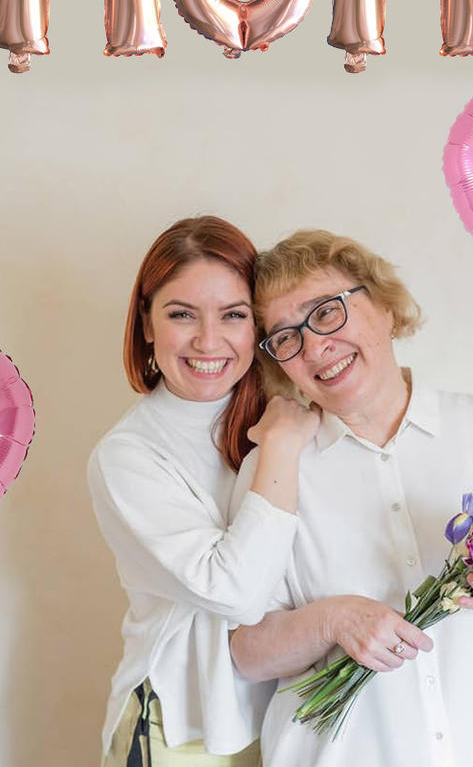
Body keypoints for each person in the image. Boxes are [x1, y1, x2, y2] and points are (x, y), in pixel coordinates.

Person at [229, 229, 473, 767]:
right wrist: (331, 621)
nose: (315, 347)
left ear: (386, 308)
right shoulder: (273, 465)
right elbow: (247, 653)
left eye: (326, 312)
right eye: (285, 338)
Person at [87, 216, 319, 766]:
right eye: (181, 314)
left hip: (293, 716)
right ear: (147, 324)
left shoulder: (289, 410)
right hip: (185, 727)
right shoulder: (128, 456)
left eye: (233, 315)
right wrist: (279, 448)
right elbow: (236, 592)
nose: (208, 341)